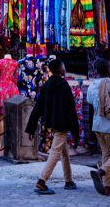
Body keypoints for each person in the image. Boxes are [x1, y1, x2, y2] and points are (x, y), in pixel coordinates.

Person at [26, 59, 79, 194]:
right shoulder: (64, 85)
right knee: (56, 151)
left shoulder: (47, 85)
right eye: (63, 66)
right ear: (59, 69)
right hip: (62, 124)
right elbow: (71, 110)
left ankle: (68, 180)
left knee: (64, 151)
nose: (65, 68)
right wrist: (76, 132)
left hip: (52, 123)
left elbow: (38, 107)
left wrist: (31, 127)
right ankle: (42, 181)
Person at [87, 58, 110, 196]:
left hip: (97, 125)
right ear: (109, 70)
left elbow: (90, 102)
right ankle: (100, 171)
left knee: (106, 153)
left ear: (96, 71)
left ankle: (107, 186)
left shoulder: (92, 85)